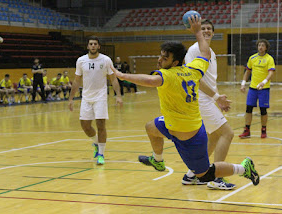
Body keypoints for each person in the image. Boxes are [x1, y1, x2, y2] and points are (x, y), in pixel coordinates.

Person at [111, 16, 260, 187]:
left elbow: (149, 81)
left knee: (205, 174)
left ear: (174, 62)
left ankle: (243, 168)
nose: (159, 60)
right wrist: (197, 32)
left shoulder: (168, 75)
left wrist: (122, 75)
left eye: (164, 58)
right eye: (160, 56)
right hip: (172, 124)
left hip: (188, 134)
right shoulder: (193, 69)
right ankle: (158, 160)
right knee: (150, 127)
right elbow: (205, 52)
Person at [182, 19, 235, 190]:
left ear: (213, 32)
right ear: (198, 30)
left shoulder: (210, 51)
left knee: (214, 136)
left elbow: (210, 80)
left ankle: (192, 174)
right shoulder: (195, 49)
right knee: (227, 133)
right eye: (202, 28)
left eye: (209, 28)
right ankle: (216, 178)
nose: (205, 30)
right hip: (199, 99)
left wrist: (217, 100)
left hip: (207, 99)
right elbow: (194, 78)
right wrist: (216, 97)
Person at [68, 35, 123, 165]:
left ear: (99, 46)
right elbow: (76, 80)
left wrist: (118, 95)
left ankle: (101, 154)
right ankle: (96, 143)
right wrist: (71, 98)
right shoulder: (81, 61)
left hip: (101, 97)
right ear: (87, 46)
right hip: (86, 97)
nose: (93, 46)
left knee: (100, 125)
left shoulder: (106, 60)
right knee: (85, 126)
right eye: (90, 44)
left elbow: (113, 79)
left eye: (95, 44)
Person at [239, 39, 275, 139]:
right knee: (248, 108)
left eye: (263, 45)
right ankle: (247, 130)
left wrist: (263, 82)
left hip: (264, 89)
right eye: (259, 45)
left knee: (263, 110)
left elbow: (271, 72)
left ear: (266, 48)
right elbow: (247, 71)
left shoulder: (269, 59)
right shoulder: (252, 58)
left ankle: (263, 130)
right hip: (252, 88)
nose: (261, 47)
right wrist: (243, 83)